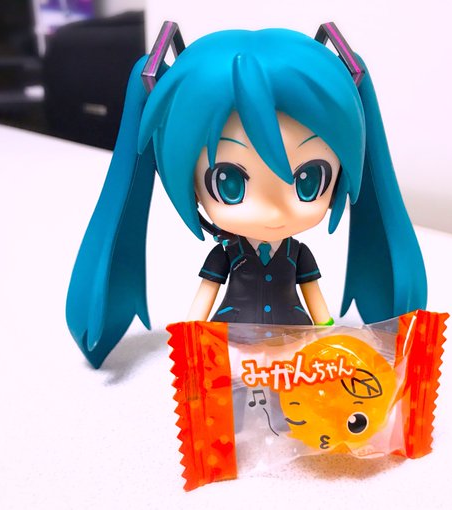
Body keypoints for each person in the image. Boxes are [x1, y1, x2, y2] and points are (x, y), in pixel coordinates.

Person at [66, 23, 427, 368]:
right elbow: (205, 295)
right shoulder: (228, 254)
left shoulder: (297, 254)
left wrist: (328, 336)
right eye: (230, 184)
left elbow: (315, 300)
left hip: (293, 342)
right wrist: (191, 334)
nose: (273, 213)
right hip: (232, 342)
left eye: (308, 182)